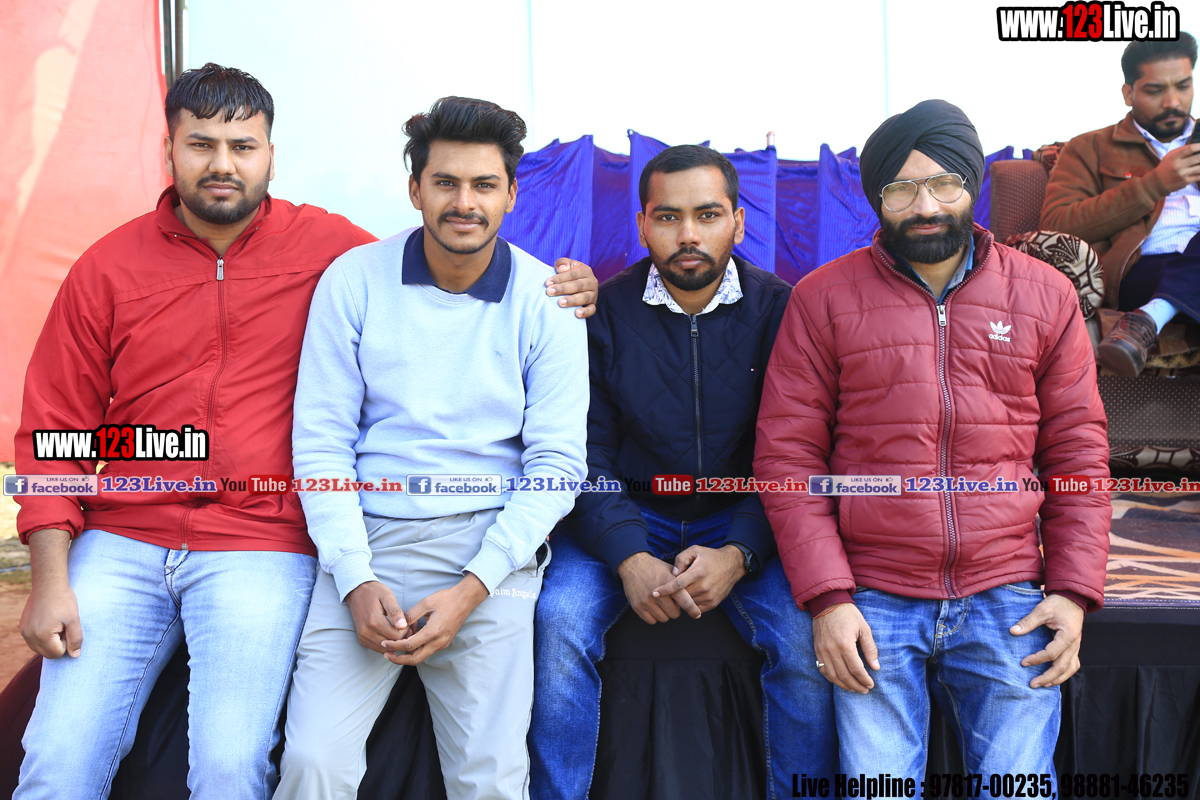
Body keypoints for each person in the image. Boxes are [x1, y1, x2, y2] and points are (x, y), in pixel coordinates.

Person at [13, 66, 597, 800]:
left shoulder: (328, 251)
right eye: (200, 144)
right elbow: (56, 432)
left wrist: (576, 286)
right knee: (57, 759)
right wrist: (50, 576)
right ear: (168, 151)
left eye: (242, 146)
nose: (222, 164)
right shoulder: (108, 268)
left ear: (270, 154)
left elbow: (450, 261)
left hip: (256, 540)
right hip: (125, 536)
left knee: (231, 766)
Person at [755, 100, 1111, 780]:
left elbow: (1077, 451)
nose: (925, 206)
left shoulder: (1044, 295)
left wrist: (1072, 590)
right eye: (901, 189)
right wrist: (829, 599)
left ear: (972, 185)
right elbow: (788, 459)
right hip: (873, 594)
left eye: (944, 183)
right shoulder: (823, 298)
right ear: (876, 199)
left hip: (1008, 590)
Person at [274, 96, 588, 800]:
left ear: (511, 194)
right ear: (415, 189)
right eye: (445, 182)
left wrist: (474, 587)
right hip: (367, 542)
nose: (464, 202)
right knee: (313, 764)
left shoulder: (549, 302)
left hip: (490, 550)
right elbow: (321, 443)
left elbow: (557, 467)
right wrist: (353, 577)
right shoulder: (354, 280)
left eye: (483, 185)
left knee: (490, 780)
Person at [529, 145, 838, 800]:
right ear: (643, 225)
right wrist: (629, 556)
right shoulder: (603, 314)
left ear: (739, 222)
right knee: (557, 623)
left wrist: (739, 554)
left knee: (801, 644)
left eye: (708, 214)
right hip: (630, 516)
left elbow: (792, 454)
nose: (689, 234)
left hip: (744, 516)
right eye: (668, 217)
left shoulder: (782, 311)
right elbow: (586, 454)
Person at [1040, 33, 1200, 376]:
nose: (1173, 101)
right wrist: (1156, 184)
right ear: (1128, 93)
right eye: (1155, 90)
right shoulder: (1090, 147)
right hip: (1142, 272)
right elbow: (1057, 225)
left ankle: (1147, 321)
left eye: (1184, 86)